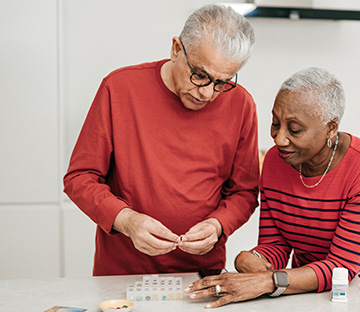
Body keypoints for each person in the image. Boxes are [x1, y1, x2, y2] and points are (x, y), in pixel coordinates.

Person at [185, 67, 360, 308]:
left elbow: (341, 268)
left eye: (294, 130)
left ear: (330, 128)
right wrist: (252, 259)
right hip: (311, 285)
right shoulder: (275, 161)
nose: (279, 138)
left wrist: (268, 281)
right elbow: (277, 245)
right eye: (275, 123)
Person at [63, 4, 259, 276]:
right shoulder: (119, 88)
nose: (206, 93)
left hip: (202, 273)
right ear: (176, 49)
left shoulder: (241, 104)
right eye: (199, 75)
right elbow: (80, 178)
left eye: (221, 83)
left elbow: (244, 192)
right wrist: (128, 221)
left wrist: (218, 224)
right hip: (123, 273)